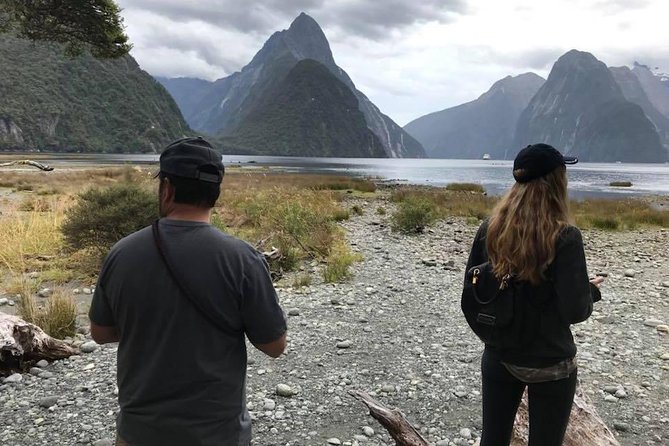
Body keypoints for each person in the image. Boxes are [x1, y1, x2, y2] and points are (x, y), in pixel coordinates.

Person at [89, 136, 287, 446]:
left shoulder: (122, 253)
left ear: (166, 188)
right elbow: (274, 346)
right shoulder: (243, 259)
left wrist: (150, 323)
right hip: (219, 434)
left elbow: (100, 333)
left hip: (139, 433)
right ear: (214, 195)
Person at [464, 143, 603, 446]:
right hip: (551, 363)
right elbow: (576, 311)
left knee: (493, 440)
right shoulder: (565, 236)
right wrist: (590, 290)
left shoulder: (490, 228)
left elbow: (472, 294)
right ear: (556, 182)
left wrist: (493, 335)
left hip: (499, 354)